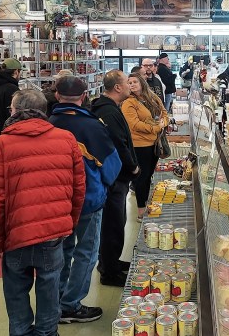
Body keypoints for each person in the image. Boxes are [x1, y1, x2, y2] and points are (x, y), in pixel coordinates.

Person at [0, 89, 86, 336]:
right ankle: (48, 332)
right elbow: (78, 189)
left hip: (15, 234)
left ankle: (20, 331)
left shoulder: (0, 145)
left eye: (11, 108)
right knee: (50, 285)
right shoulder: (66, 139)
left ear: (16, 111)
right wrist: (67, 224)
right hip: (52, 234)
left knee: (16, 289)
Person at [49, 76, 121, 324]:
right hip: (88, 201)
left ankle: (56, 302)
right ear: (83, 97)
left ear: (57, 96)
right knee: (86, 252)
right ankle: (71, 305)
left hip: (57, 202)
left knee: (62, 251)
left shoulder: (49, 124)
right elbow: (112, 166)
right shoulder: (92, 127)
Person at [91, 70, 140, 287]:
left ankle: (110, 262)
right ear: (117, 88)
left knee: (115, 221)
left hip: (114, 175)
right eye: (126, 83)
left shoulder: (108, 108)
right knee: (113, 223)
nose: (130, 86)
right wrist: (133, 166)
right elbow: (119, 144)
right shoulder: (109, 112)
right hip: (115, 176)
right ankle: (109, 272)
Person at [122, 72, 169, 221]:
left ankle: (147, 203)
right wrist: (156, 128)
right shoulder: (129, 102)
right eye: (129, 83)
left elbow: (164, 113)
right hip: (139, 145)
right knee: (141, 178)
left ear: (142, 82)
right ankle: (141, 211)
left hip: (154, 143)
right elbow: (134, 124)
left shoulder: (152, 97)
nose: (132, 85)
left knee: (148, 176)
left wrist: (164, 123)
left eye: (135, 82)